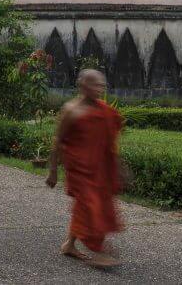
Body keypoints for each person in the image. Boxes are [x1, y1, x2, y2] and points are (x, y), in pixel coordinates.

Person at [46, 68, 123, 268]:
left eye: (102, 85)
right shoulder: (71, 110)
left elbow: (109, 142)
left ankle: (69, 245)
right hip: (80, 169)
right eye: (95, 84)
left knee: (86, 206)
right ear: (82, 86)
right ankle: (99, 251)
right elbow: (58, 141)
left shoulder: (104, 111)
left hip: (99, 168)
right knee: (91, 207)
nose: (100, 89)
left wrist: (119, 167)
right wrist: (53, 171)